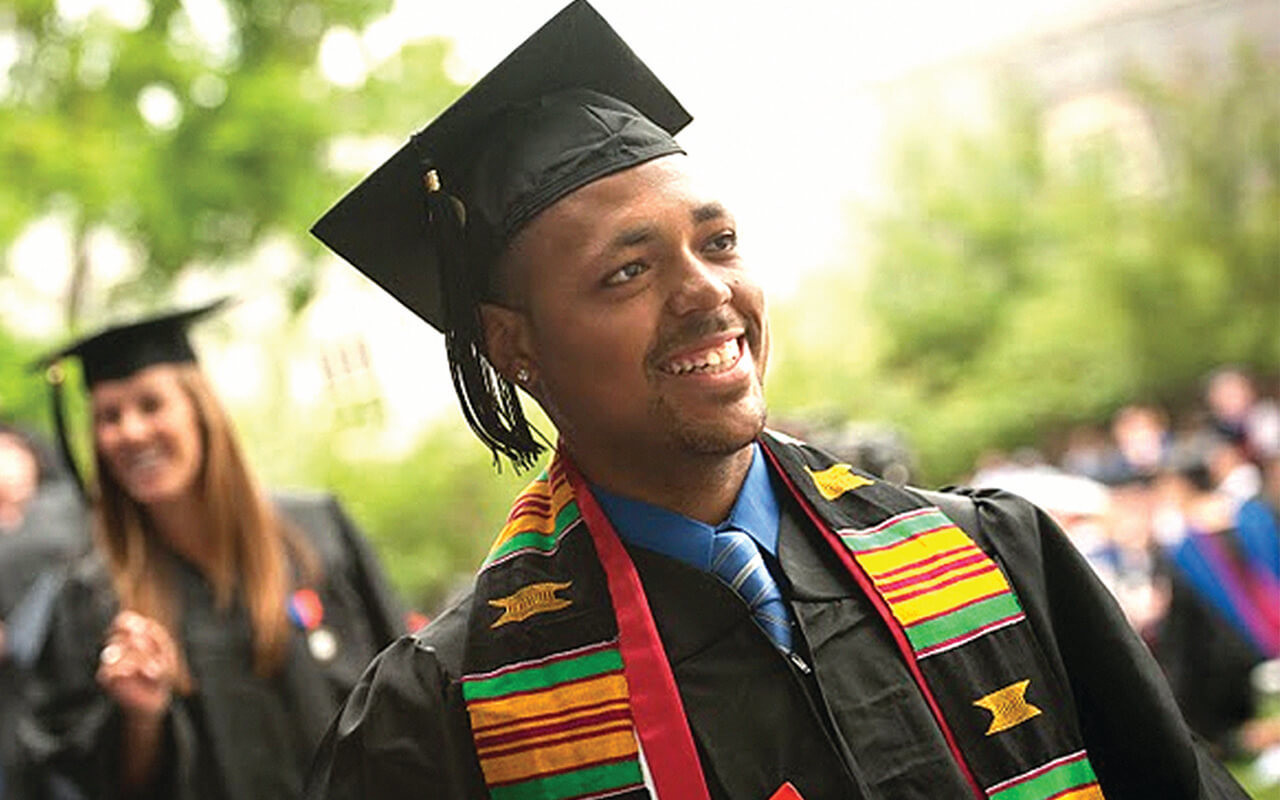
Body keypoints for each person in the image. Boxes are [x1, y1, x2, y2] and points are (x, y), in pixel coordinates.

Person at [304, 2, 1247, 797]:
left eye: (717, 244)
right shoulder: (449, 711)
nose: (708, 293)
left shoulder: (994, 558)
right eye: (627, 271)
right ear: (516, 345)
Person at [16, 300, 407, 800]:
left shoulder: (317, 531)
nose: (131, 432)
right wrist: (140, 719)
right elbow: (83, 777)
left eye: (151, 405)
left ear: (201, 412)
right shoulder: (92, 597)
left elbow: (404, 694)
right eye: (109, 416)